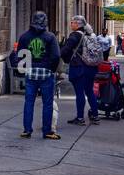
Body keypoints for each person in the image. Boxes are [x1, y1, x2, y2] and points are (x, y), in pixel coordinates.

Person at [13, 11, 61, 139]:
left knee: (29, 102)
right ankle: (47, 131)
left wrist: (24, 69)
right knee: (48, 103)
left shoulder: (24, 37)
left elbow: (20, 55)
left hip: (30, 73)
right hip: (46, 73)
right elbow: (56, 56)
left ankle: (27, 130)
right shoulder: (50, 37)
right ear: (45, 21)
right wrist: (51, 69)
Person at [60, 15, 105, 125]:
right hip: (91, 67)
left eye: (72, 22)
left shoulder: (75, 36)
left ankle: (80, 118)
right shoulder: (91, 35)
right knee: (90, 92)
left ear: (78, 24)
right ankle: (95, 116)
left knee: (79, 93)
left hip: (79, 68)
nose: (71, 24)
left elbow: (64, 51)